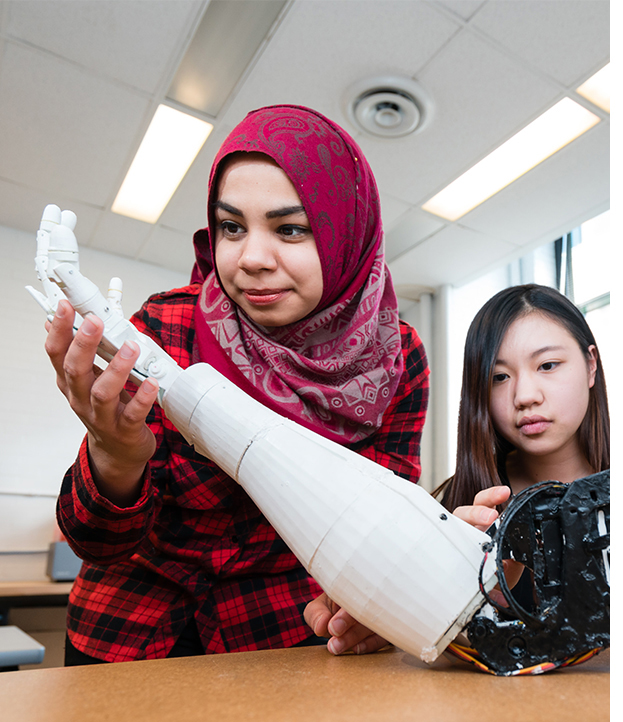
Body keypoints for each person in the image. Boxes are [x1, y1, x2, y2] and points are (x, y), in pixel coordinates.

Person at [44, 105, 428, 664]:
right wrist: (115, 458)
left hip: (286, 641)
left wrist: (373, 603)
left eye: (291, 229)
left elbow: (385, 524)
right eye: (231, 227)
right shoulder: (164, 329)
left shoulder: (394, 360)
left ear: (346, 231)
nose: (250, 259)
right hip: (127, 635)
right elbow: (94, 541)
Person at [303, 284, 609, 656]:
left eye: (547, 365)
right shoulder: (458, 512)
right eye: (499, 377)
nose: (525, 395)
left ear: (590, 365)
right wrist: (386, 609)